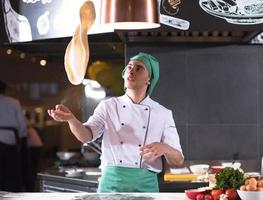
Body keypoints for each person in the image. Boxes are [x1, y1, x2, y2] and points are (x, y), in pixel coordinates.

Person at [48, 52, 184, 192]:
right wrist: (71, 120)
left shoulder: (162, 113)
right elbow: (86, 136)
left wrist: (165, 148)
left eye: (139, 68)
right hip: (111, 184)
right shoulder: (108, 106)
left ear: (149, 79)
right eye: (129, 66)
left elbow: (178, 160)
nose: (131, 70)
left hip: (145, 186)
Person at [0, 80, 27, 192]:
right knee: (11, 174)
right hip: (10, 141)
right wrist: (21, 138)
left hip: (9, 140)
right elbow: (22, 124)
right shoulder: (13, 102)